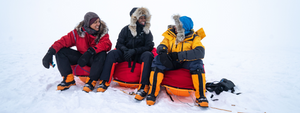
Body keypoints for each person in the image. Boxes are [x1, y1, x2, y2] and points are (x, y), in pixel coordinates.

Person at [146, 15, 209, 107]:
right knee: (158, 60)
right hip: (171, 62)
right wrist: (163, 51)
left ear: (183, 27)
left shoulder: (194, 38)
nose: (174, 26)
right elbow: (162, 45)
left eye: (177, 25)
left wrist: (178, 56)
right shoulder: (170, 34)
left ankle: (201, 96)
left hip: (186, 62)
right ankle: (152, 92)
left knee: (197, 62)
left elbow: (200, 52)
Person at [42, 12, 112, 92]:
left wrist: (91, 51)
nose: (98, 24)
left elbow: (106, 44)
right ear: (88, 23)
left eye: (99, 21)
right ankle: (68, 79)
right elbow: (62, 41)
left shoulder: (102, 32)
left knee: (102, 54)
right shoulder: (78, 32)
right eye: (95, 22)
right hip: (82, 58)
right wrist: (50, 52)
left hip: (95, 59)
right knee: (61, 51)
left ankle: (91, 81)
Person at [97, 7, 154, 101]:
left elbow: (149, 46)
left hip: (139, 55)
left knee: (148, 55)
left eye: (144, 17)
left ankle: (144, 87)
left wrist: (135, 51)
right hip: (126, 54)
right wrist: (126, 50)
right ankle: (104, 81)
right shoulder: (125, 30)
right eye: (141, 18)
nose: (143, 20)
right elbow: (119, 43)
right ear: (134, 18)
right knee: (112, 54)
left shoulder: (147, 31)